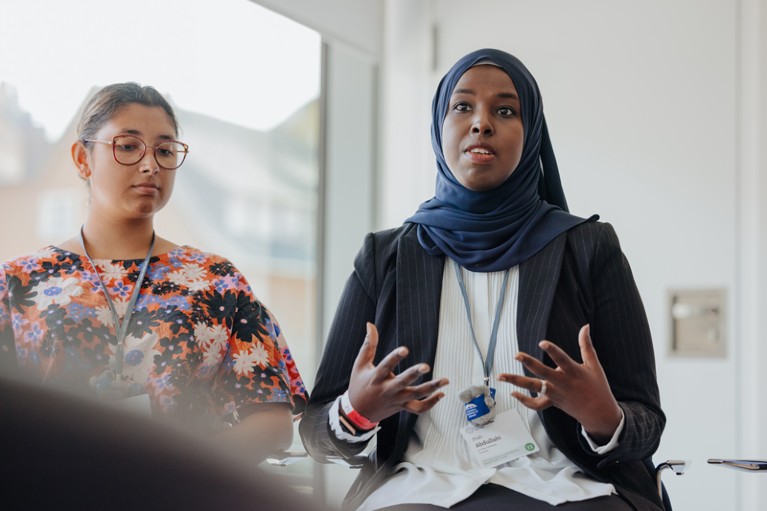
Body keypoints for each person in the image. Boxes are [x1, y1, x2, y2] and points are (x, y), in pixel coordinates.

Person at [299, 49, 666, 511]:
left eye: (506, 110)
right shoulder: (386, 256)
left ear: (530, 134)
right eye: (463, 106)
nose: (481, 123)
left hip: (566, 485)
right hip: (419, 486)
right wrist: (357, 411)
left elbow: (646, 420)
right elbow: (315, 433)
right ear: (439, 125)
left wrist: (603, 417)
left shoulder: (588, 247)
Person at [0, 82, 308, 463]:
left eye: (164, 150)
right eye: (128, 146)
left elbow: (273, 423)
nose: (151, 165)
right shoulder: (19, 282)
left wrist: (176, 475)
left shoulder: (216, 281)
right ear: (82, 158)